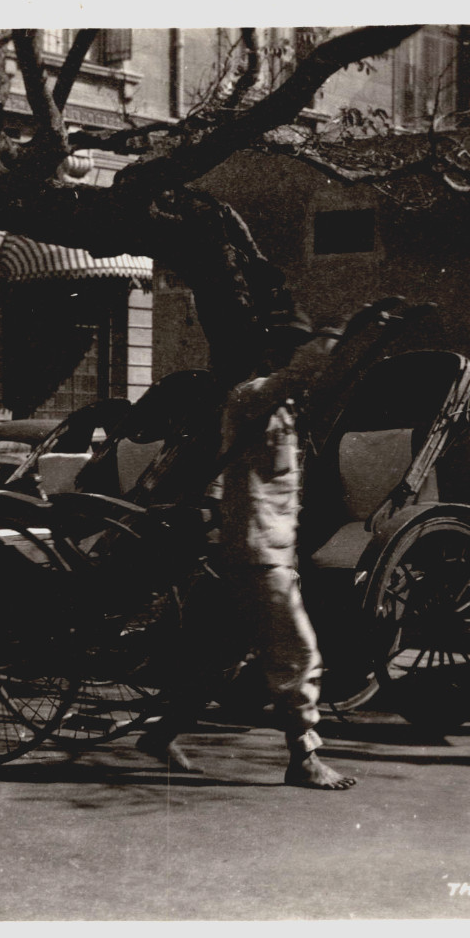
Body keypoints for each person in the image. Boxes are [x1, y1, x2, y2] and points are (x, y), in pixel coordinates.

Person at [137, 310, 356, 790]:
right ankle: (304, 757)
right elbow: (298, 375)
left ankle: (163, 733)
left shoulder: (285, 409)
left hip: (267, 549)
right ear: (278, 355)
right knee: (299, 652)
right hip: (257, 552)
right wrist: (339, 333)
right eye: (295, 352)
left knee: (222, 653)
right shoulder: (252, 395)